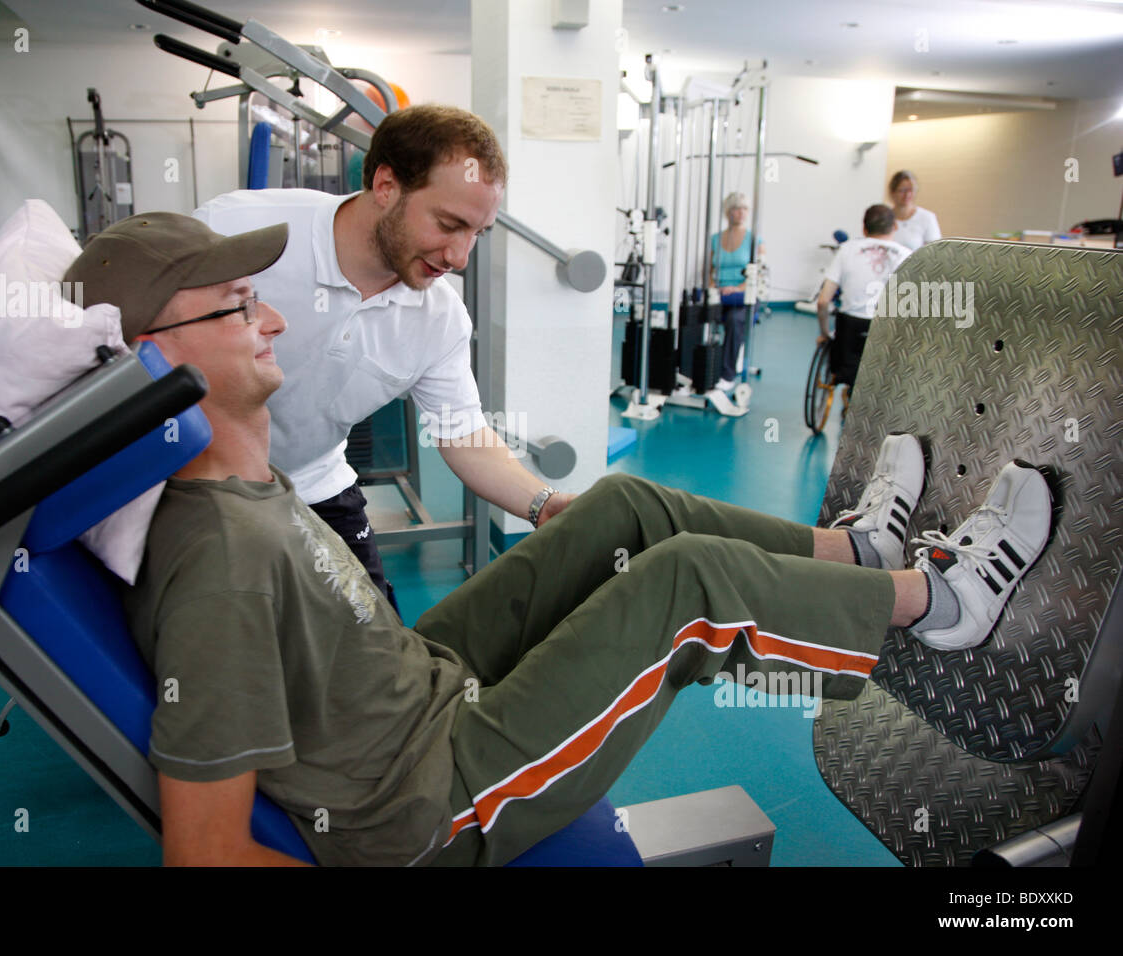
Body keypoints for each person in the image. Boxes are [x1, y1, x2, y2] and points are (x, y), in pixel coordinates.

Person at [67, 212, 1054, 867]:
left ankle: (860, 556)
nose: (273, 316)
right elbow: (204, 853)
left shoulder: (242, 475)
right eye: (239, 306)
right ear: (153, 357)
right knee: (692, 584)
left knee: (617, 513)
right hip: (427, 793)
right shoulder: (215, 559)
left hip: (422, 680)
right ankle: (942, 603)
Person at [192, 104, 575, 612]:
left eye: (477, 234)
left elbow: (462, 432)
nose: (459, 257)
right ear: (386, 185)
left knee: (381, 655)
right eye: (448, 224)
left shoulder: (438, 317)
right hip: (198, 484)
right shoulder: (235, 229)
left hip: (315, 484)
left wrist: (542, 505)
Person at [814, 204, 914, 397]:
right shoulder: (907, 256)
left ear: (864, 228)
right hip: (888, 334)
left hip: (849, 332)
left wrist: (825, 334)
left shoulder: (846, 250)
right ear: (894, 227)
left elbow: (823, 301)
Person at [707, 192, 765, 394]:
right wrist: (714, 286)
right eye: (736, 208)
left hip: (744, 296)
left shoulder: (754, 240)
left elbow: (759, 273)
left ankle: (727, 374)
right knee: (696, 314)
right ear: (728, 211)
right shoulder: (715, 239)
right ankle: (695, 367)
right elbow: (709, 271)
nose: (741, 213)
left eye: (745, 209)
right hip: (720, 295)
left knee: (734, 320)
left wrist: (737, 288)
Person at [888, 169, 942, 251]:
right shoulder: (885, 218)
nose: (907, 195)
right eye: (902, 190)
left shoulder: (927, 217)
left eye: (911, 190)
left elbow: (935, 251)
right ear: (893, 192)